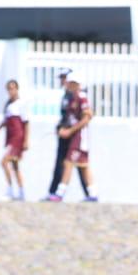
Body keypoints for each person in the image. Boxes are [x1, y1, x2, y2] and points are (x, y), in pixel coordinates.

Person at [50, 74, 97, 202]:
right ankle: (93, 194)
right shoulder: (71, 98)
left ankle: (60, 193)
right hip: (74, 136)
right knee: (83, 165)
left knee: (68, 162)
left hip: (80, 137)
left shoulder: (82, 98)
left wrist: (70, 131)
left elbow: (87, 117)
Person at [0, 79, 29, 200]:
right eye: (9, 89)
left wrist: (26, 140)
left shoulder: (21, 104)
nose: (11, 91)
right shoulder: (8, 105)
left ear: (17, 89)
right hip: (10, 138)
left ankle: (10, 190)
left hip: (17, 138)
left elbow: (26, 123)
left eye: (13, 88)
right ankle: (21, 193)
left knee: (4, 162)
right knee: (15, 167)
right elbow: (4, 123)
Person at [43, 68, 72, 202]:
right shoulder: (66, 95)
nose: (62, 81)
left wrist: (67, 129)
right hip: (64, 134)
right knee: (61, 163)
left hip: (71, 135)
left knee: (74, 164)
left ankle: (90, 192)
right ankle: (54, 191)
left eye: (64, 77)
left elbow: (75, 116)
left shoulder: (74, 95)